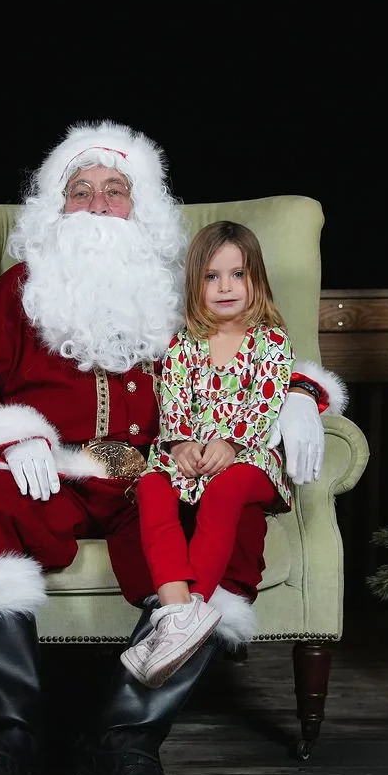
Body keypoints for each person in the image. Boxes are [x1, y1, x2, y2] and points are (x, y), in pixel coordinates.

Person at [0, 121, 346, 775]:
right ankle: (9, 740)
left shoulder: (181, 289)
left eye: (113, 191)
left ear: (140, 206)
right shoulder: (19, 290)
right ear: (57, 209)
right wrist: (11, 431)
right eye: (80, 191)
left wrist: (303, 398)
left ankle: (124, 741)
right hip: (49, 470)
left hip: (158, 471)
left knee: (229, 522)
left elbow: (254, 348)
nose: (95, 205)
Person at [122, 221, 295, 690]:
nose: (224, 287)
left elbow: (264, 404)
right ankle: (177, 611)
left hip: (249, 459)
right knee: (151, 485)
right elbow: (172, 405)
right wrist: (180, 445)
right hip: (190, 456)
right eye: (211, 277)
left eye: (236, 274)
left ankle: (195, 604)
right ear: (194, 284)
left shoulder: (271, 342)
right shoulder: (183, 345)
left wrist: (230, 443)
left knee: (227, 487)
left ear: (256, 279)